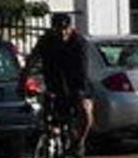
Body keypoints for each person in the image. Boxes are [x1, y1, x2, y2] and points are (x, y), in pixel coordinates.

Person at [29, 12, 95, 147]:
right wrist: (23, 79)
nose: (62, 32)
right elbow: (32, 60)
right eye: (58, 28)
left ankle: (79, 142)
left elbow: (82, 69)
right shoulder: (46, 41)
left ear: (70, 28)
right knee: (48, 110)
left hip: (76, 82)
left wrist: (80, 92)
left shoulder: (79, 42)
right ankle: (52, 139)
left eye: (65, 28)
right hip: (54, 81)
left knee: (85, 110)